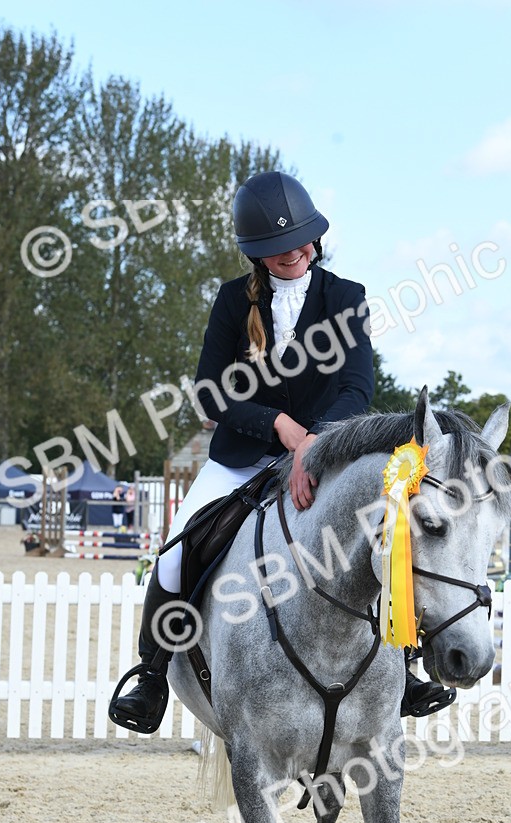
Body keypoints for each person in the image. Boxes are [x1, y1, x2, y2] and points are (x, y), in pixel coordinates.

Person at [110, 171, 454, 733]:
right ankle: (151, 676)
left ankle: (406, 667)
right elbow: (210, 392)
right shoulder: (230, 302)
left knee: (385, 536)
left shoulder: (346, 297)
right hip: (240, 457)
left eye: (303, 240)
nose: (295, 252)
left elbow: (356, 385)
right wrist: (283, 429)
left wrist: (315, 443)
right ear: (257, 254)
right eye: (279, 247)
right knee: (175, 553)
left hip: (329, 452)